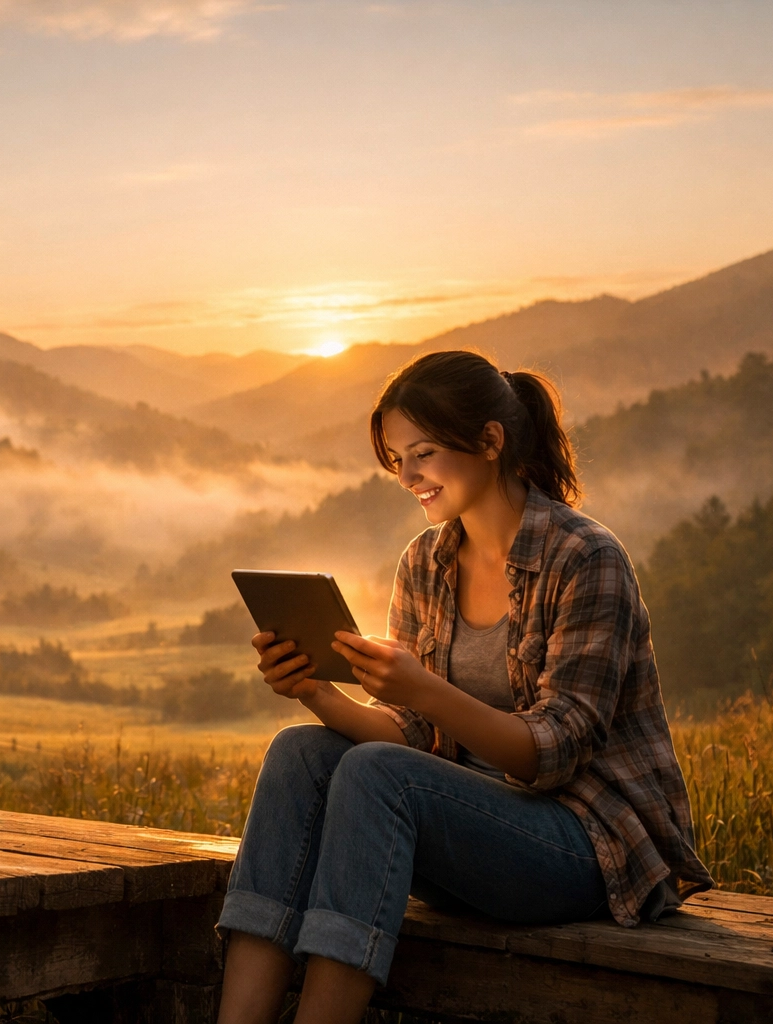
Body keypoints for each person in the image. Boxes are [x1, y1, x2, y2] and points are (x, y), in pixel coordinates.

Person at [215, 350, 712, 1024]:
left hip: (588, 846)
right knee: (300, 753)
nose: (408, 475)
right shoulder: (426, 562)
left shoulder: (586, 558)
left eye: (422, 453)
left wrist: (424, 689)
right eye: (397, 459)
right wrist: (314, 690)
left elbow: (552, 753)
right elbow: (414, 734)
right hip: (470, 835)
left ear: (489, 440)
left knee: (378, 775)